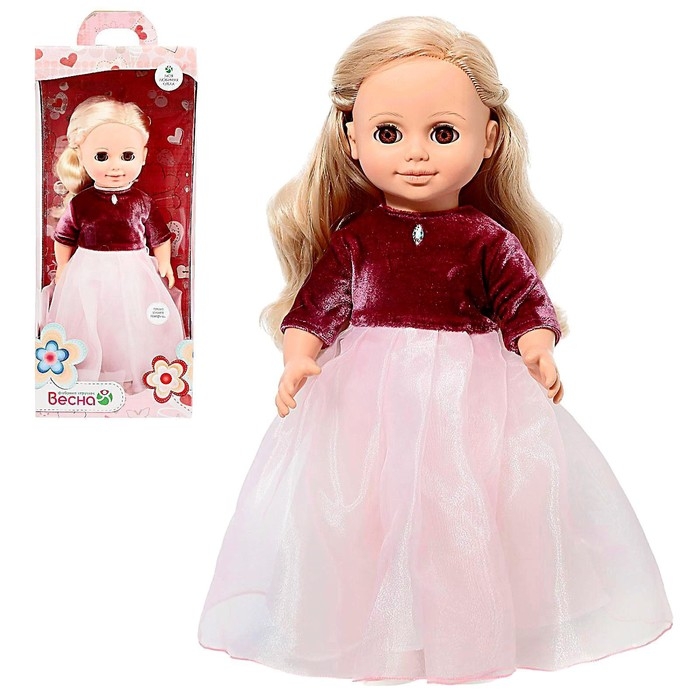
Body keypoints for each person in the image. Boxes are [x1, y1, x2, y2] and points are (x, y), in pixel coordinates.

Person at [199, 16, 671, 683]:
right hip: (369, 397)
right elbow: (317, 306)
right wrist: (299, 356)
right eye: (389, 133)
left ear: (489, 138)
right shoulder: (357, 238)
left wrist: (536, 346)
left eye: (443, 133)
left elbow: (523, 300)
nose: (416, 154)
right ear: (352, 139)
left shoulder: (484, 237)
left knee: (466, 504)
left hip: (466, 395)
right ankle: (370, 624)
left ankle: (467, 626)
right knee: (366, 506)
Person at [45, 95, 184, 390]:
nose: (115, 167)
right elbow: (64, 237)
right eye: (101, 156)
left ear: (143, 155)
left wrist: (164, 263)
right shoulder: (81, 203)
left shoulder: (141, 201)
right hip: (89, 268)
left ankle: (135, 373)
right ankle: (91, 372)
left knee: (130, 318)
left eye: (127, 156)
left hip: (134, 267)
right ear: (80, 155)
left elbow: (159, 236)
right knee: (92, 319)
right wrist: (63, 267)